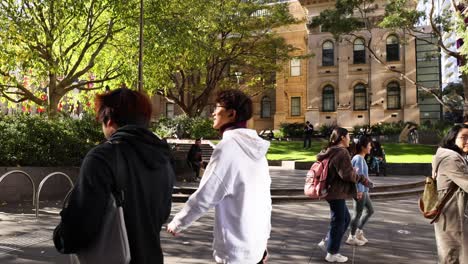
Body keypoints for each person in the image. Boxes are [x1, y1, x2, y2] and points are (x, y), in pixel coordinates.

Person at [53, 88, 175, 264]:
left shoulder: (103, 157)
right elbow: (163, 214)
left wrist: (61, 236)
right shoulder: (164, 158)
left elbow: (80, 229)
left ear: (109, 120)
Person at [167, 89, 271, 264]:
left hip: (235, 252)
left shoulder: (227, 147)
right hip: (256, 248)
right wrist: (264, 242)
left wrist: (178, 222)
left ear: (232, 113)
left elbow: (207, 194)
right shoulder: (258, 151)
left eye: (217, 107)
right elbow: (265, 201)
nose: (213, 112)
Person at [316, 127, 372, 263]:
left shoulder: (332, 151)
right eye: (348, 136)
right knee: (339, 221)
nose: (350, 139)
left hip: (332, 191)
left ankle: (328, 243)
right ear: (342, 137)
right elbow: (346, 175)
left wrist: (352, 172)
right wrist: (362, 178)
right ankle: (332, 253)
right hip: (336, 192)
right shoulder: (341, 152)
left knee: (344, 219)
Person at [432, 124, 468, 264]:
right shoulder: (451, 159)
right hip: (452, 217)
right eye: (464, 137)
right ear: (452, 139)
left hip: (451, 215)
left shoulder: (453, 156)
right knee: (452, 256)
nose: (467, 141)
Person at [346, 136, 374, 246]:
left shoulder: (361, 158)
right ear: (363, 147)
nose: (371, 147)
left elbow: (363, 176)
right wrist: (359, 190)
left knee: (370, 211)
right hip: (360, 191)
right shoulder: (358, 158)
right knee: (357, 214)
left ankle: (357, 231)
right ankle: (351, 237)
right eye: (369, 145)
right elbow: (357, 176)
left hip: (364, 190)